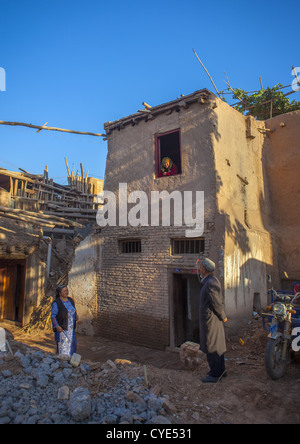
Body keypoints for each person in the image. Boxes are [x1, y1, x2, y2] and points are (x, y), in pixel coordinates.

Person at [198, 258, 228, 383]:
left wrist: (223, 316)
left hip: (211, 321)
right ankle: (221, 371)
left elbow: (216, 302)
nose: (199, 269)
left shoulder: (210, 282)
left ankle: (215, 374)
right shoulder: (209, 281)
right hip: (212, 319)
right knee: (217, 345)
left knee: (212, 346)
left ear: (204, 269)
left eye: (200, 267)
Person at [51, 285, 78, 357]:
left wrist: (76, 315)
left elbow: (73, 310)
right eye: (64, 291)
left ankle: (71, 362)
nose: (66, 292)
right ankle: (62, 363)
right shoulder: (57, 303)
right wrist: (57, 326)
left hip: (71, 329)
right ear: (60, 293)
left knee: (72, 344)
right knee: (63, 347)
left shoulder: (70, 300)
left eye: (67, 290)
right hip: (62, 330)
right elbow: (53, 316)